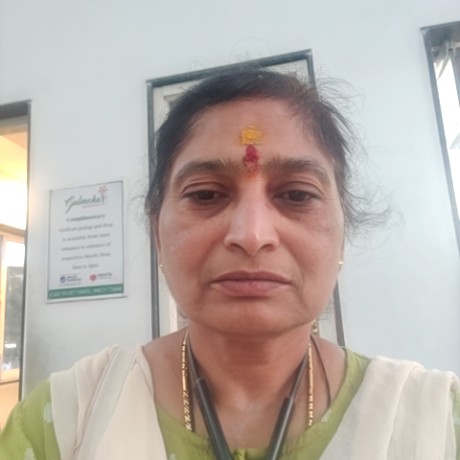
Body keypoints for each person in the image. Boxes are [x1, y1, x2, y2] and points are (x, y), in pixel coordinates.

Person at [0, 68, 459, 460]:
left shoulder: (437, 422)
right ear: (156, 231)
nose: (252, 235)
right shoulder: (66, 420)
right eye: (205, 195)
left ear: (344, 229)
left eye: (297, 195)